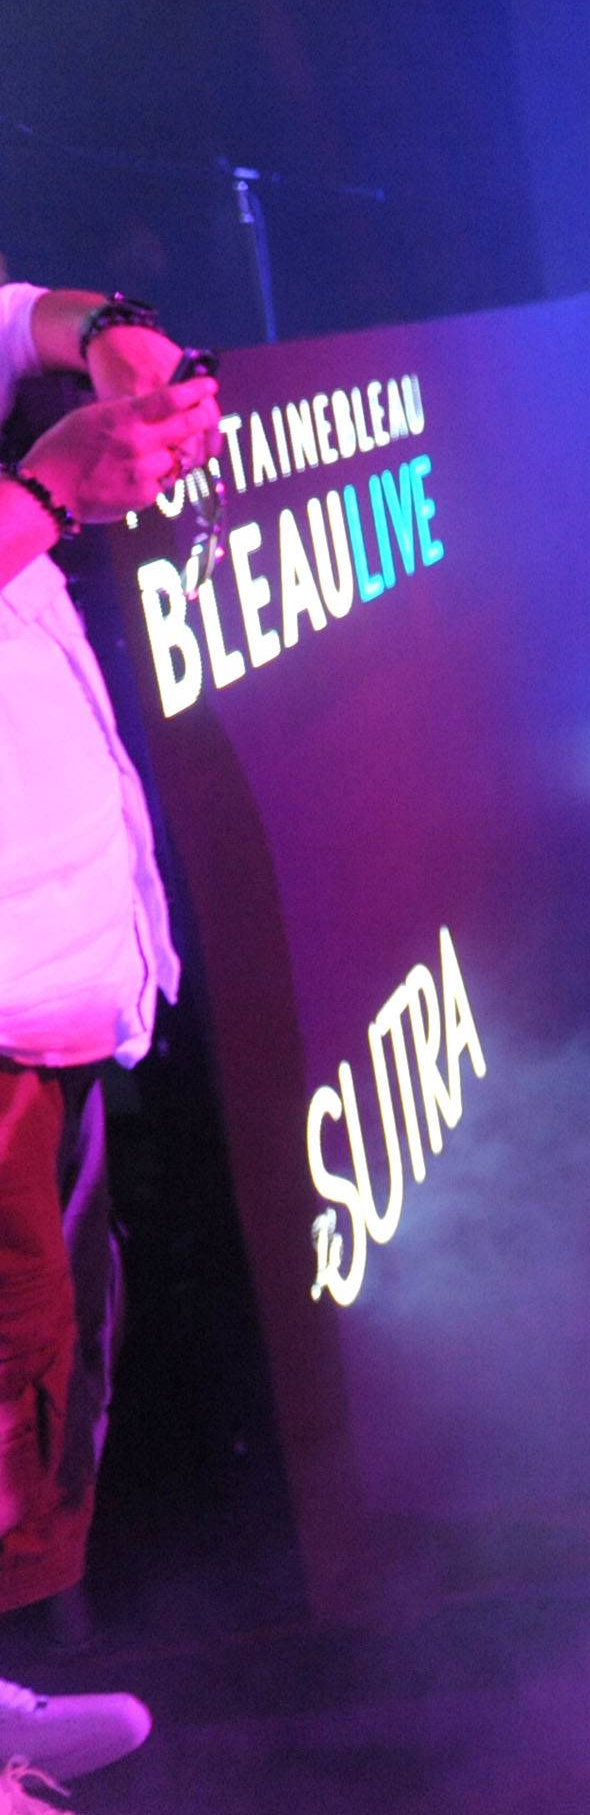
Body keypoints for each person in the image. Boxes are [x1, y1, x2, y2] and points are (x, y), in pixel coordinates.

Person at [1, 281, 226, 1784]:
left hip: (51, 972)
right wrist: (46, 491)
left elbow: (21, 313)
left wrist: (102, 337)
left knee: (37, 1357)